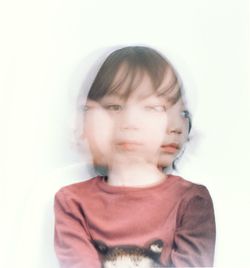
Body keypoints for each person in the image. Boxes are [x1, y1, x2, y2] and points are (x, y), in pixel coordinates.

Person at [54, 46, 215, 267]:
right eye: (114, 106)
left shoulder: (191, 201)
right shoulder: (72, 202)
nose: (129, 122)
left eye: (152, 108)